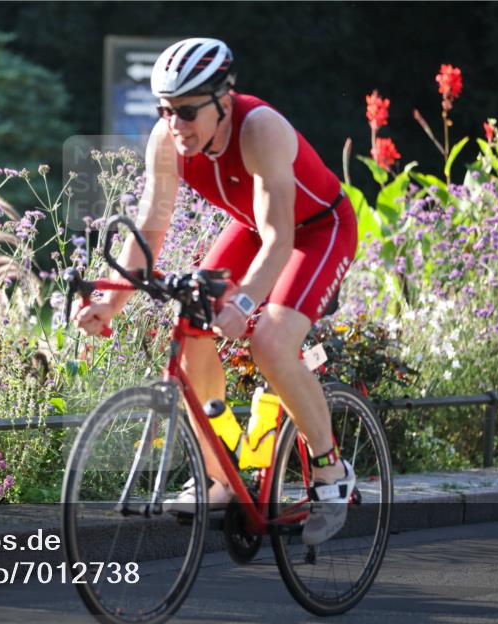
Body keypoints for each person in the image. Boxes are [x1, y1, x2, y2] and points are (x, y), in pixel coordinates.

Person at [74, 37, 358, 545]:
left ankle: (331, 470)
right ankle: (223, 476)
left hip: (318, 230)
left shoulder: (260, 129)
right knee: (190, 336)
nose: (175, 124)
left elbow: (281, 239)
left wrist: (247, 302)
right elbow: (151, 229)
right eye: (165, 110)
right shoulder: (167, 140)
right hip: (253, 229)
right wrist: (110, 299)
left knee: (269, 341)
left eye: (186, 111)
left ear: (223, 101)